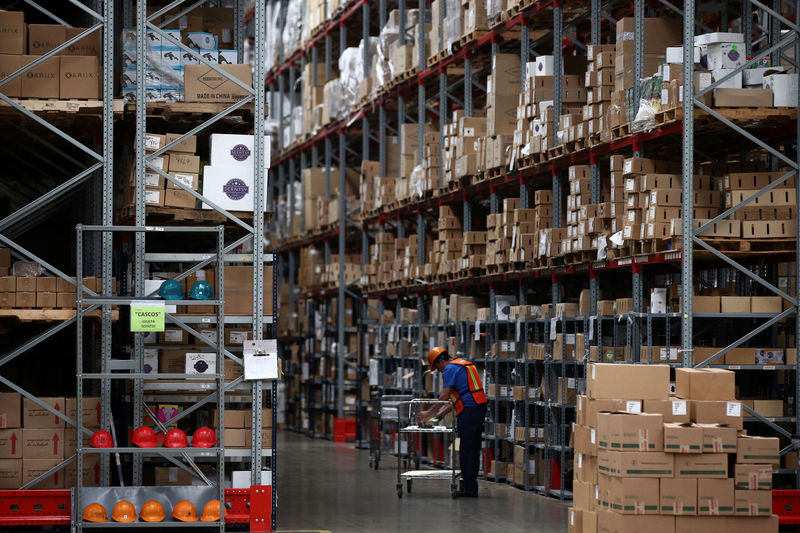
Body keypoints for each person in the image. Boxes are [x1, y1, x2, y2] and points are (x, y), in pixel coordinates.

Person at [417, 346, 488, 498]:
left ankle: (468, 489)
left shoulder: (449, 369)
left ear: (441, 361)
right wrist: (442, 414)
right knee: (473, 448)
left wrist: (428, 413)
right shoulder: (464, 364)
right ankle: (471, 487)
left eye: (437, 367)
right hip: (478, 408)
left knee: (466, 451)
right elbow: (460, 394)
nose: (440, 371)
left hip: (469, 411)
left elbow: (444, 396)